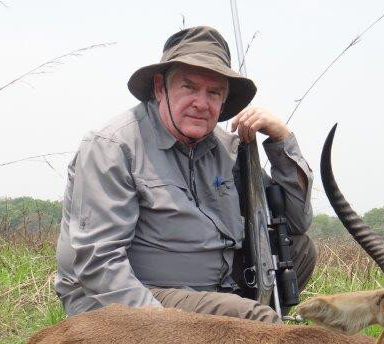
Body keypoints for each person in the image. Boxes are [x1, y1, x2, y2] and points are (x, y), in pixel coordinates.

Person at [55, 26, 316, 323]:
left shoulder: (228, 149)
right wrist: (172, 332)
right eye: (189, 87)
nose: (201, 103)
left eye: (214, 92)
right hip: (129, 301)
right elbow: (98, 264)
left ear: (224, 99)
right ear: (159, 87)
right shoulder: (112, 146)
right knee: (255, 321)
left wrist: (281, 141)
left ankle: (231, 343)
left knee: (300, 250)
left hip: (211, 294)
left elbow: (296, 221)